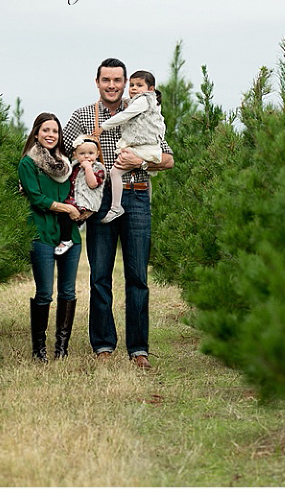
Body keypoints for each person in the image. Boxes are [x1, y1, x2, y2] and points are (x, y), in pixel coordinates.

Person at [63, 58, 174, 369]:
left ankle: (138, 349)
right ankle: (103, 344)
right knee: (100, 275)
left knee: (137, 276)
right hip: (100, 200)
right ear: (97, 82)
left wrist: (138, 163)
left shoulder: (143, 109)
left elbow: (167, 159)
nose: (112, 85)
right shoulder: (84, 116)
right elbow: (59, 148)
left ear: (126, 82)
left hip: (136, 196)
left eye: (117, 80)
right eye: (106, 80)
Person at [17, 113, 82, 361]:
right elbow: (37, 199)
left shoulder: (66, 164)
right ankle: (39, 349)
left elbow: (78, 192)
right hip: (41, 231)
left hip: (70, 235)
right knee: (44, 292)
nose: (50, 135)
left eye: (55, 131)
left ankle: (62, 348)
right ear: (36, 133)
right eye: (46, 130)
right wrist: (66, 208)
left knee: (68, 291)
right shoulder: (28, 163)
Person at [93, 70, 165, 223]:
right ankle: (148, 207)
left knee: (115, 172)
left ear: (150, 89)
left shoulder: (143, 100)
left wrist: (103, 126)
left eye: (139, 85)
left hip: (143, 145)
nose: (133, 88)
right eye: (131, 85)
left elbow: (125, 115)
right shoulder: (149, 101)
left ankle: (116, 207)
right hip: (149, 145)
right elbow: (128, 102)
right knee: (144, 177)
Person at [55, 135, 106, 256]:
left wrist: (88, 168)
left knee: (64, 213)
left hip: (86, 202)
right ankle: (65, 238)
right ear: (75, 155)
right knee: (61, 215)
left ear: (97, 154)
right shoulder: (74, 166)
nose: (87, 156)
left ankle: (66, 241)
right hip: (74, 199)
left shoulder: (98, 168)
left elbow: (93, 184)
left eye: (91, 153)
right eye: (82, 153)